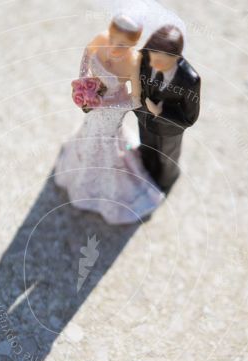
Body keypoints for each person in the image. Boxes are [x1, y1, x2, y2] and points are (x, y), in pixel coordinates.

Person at [54, 14, 165, 225]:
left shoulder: (133, 62)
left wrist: (108, 106)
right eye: (113, 37)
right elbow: (88, 52)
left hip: (112, 111)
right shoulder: (102, 38)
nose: (114, 45)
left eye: (123, 44)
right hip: (93, 104)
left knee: (106, 146)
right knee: (88, 133)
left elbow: (135, 100)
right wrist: (84, 82)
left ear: (134, 43)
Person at [134, 24, 200, 194]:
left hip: (169, 130)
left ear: (177, 57)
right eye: (153, 56)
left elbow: (189, 118)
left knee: (167, 158)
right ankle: (145, 169)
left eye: (162, 60)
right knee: (146, 146)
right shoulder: (144, 59)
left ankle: (165, 181)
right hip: (144, 118)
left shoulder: (189, 80)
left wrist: (160, 112)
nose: (155, 62)